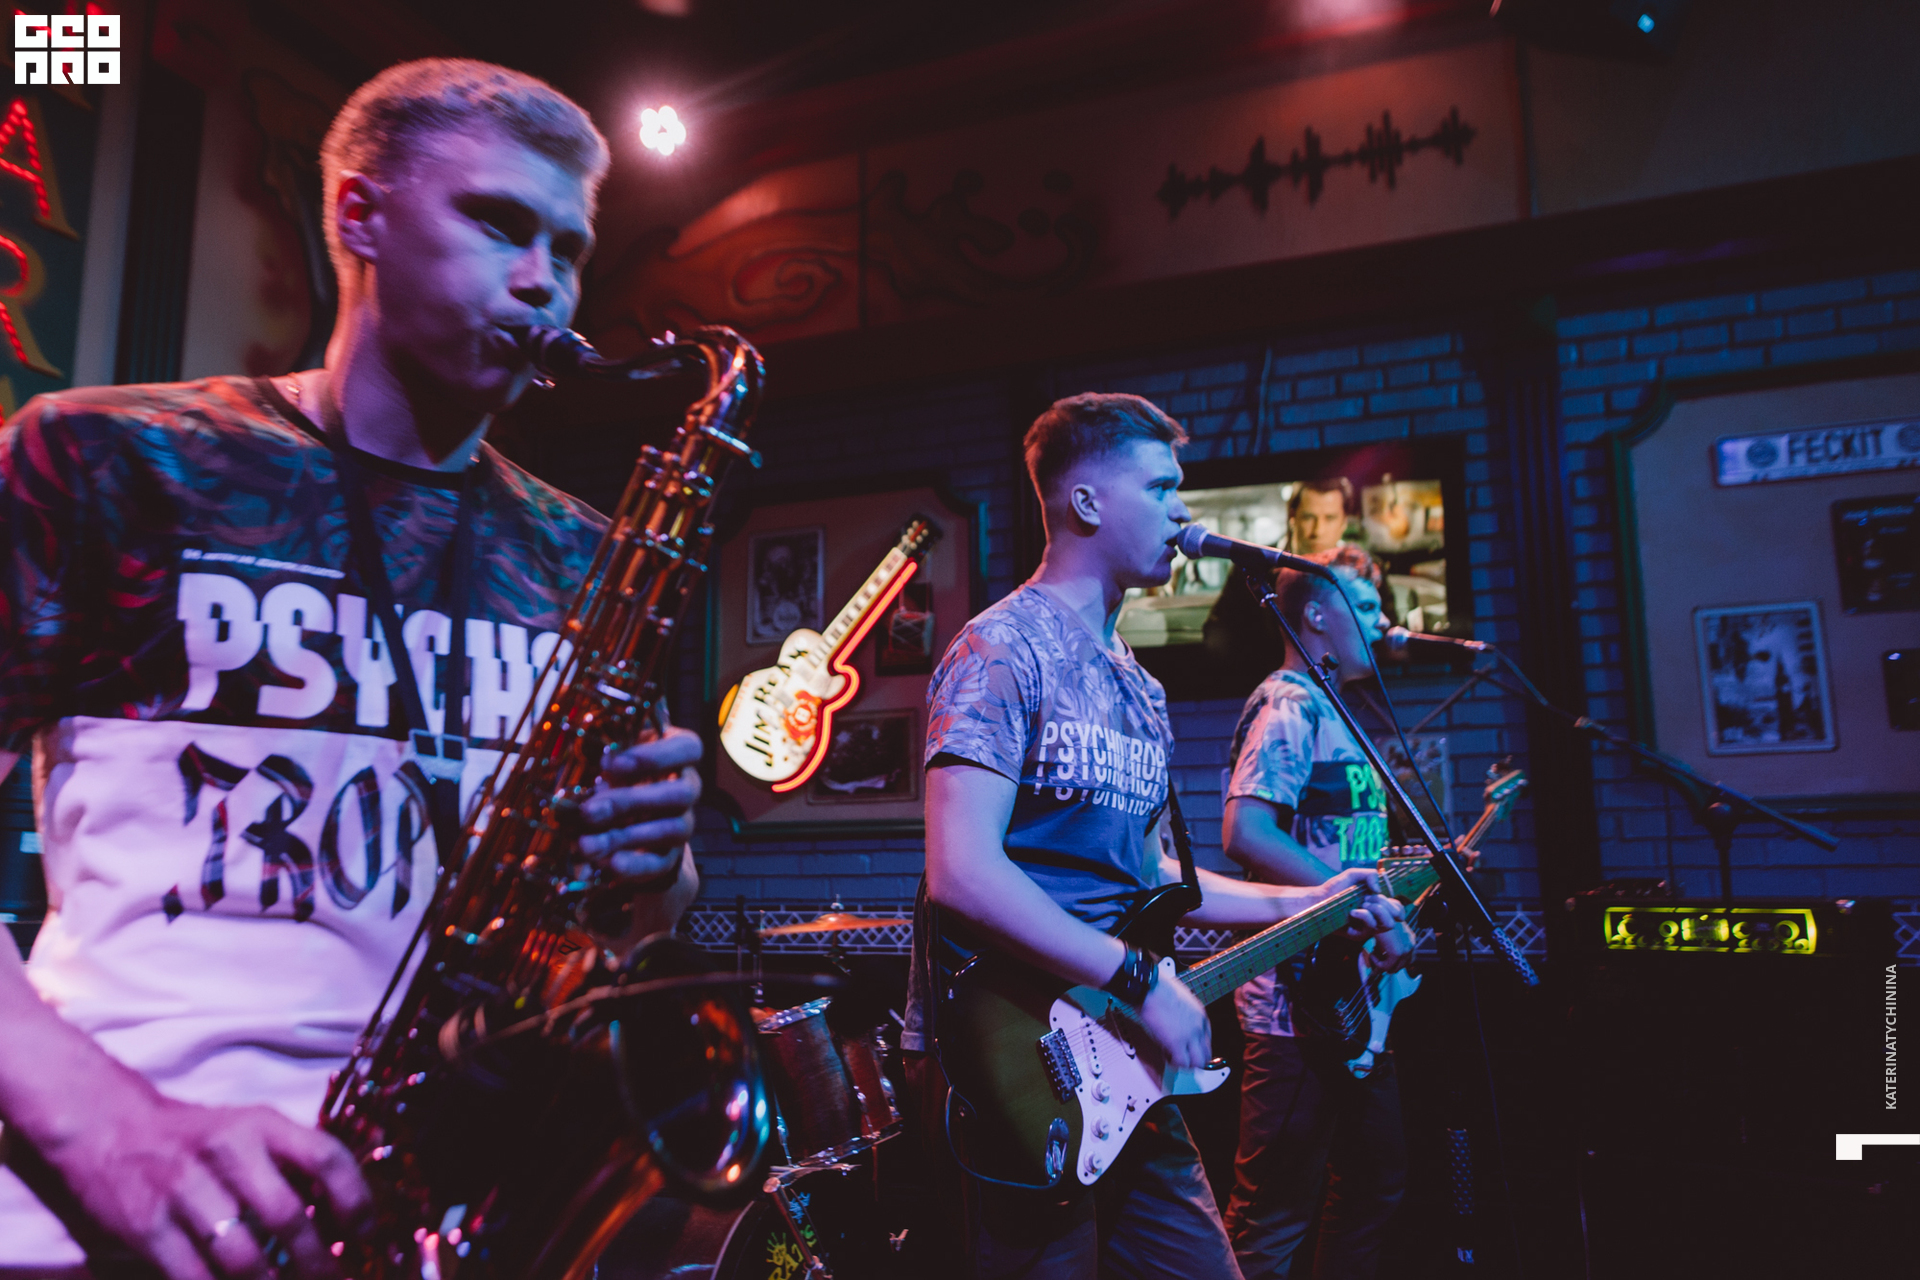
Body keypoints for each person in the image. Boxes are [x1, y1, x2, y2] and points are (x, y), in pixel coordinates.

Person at [0, 60, 707, 1280]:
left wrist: (656, 865)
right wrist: (104, 1124)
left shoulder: (586, 553)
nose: (542, 280)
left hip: (446, 1211)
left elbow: (630, 919)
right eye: (500, 223)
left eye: (570, 249)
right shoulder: (109, 458)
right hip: (129, 1204)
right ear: (359, 215)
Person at [901, 393, 1405, 1279]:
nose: (1183, 511)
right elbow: (963, 872)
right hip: (1014, 1058)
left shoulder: (1139, 686)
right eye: (1162, 487)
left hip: (1123, 1052)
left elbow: (1150, 874)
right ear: (1086, 502)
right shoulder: (1001, 649)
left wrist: (1311, 899)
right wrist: (1139, 979)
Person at [1218, 544, 1413, 1279]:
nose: (1382, 621)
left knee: (1374, 1183)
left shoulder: (1339, 713)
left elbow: (1343, 850)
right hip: (1294, 1004)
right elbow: (1247, 832)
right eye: (1364, 606)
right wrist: (1359, 899)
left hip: (1355, 998)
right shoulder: (1290, 703)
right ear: (1317, 616)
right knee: (1272, 1211)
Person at [1285, 479, 1353, 556]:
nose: (1318, 532)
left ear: (1344, 521)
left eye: (1330, 518)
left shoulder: (1354, 560)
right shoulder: (1272, 560)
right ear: (1292, 517)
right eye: (1308, 518)